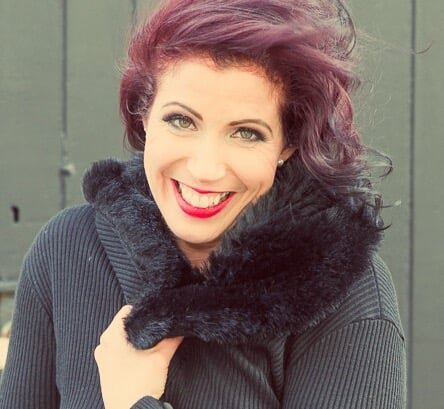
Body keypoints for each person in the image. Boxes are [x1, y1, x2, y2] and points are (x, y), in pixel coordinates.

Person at [0, 0, 406, 407]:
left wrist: (133, 402)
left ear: (287, 145)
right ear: (144, 115)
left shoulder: (348, 295)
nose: (205, 169)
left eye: (246, 133)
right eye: (181, 121)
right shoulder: (66, 250)